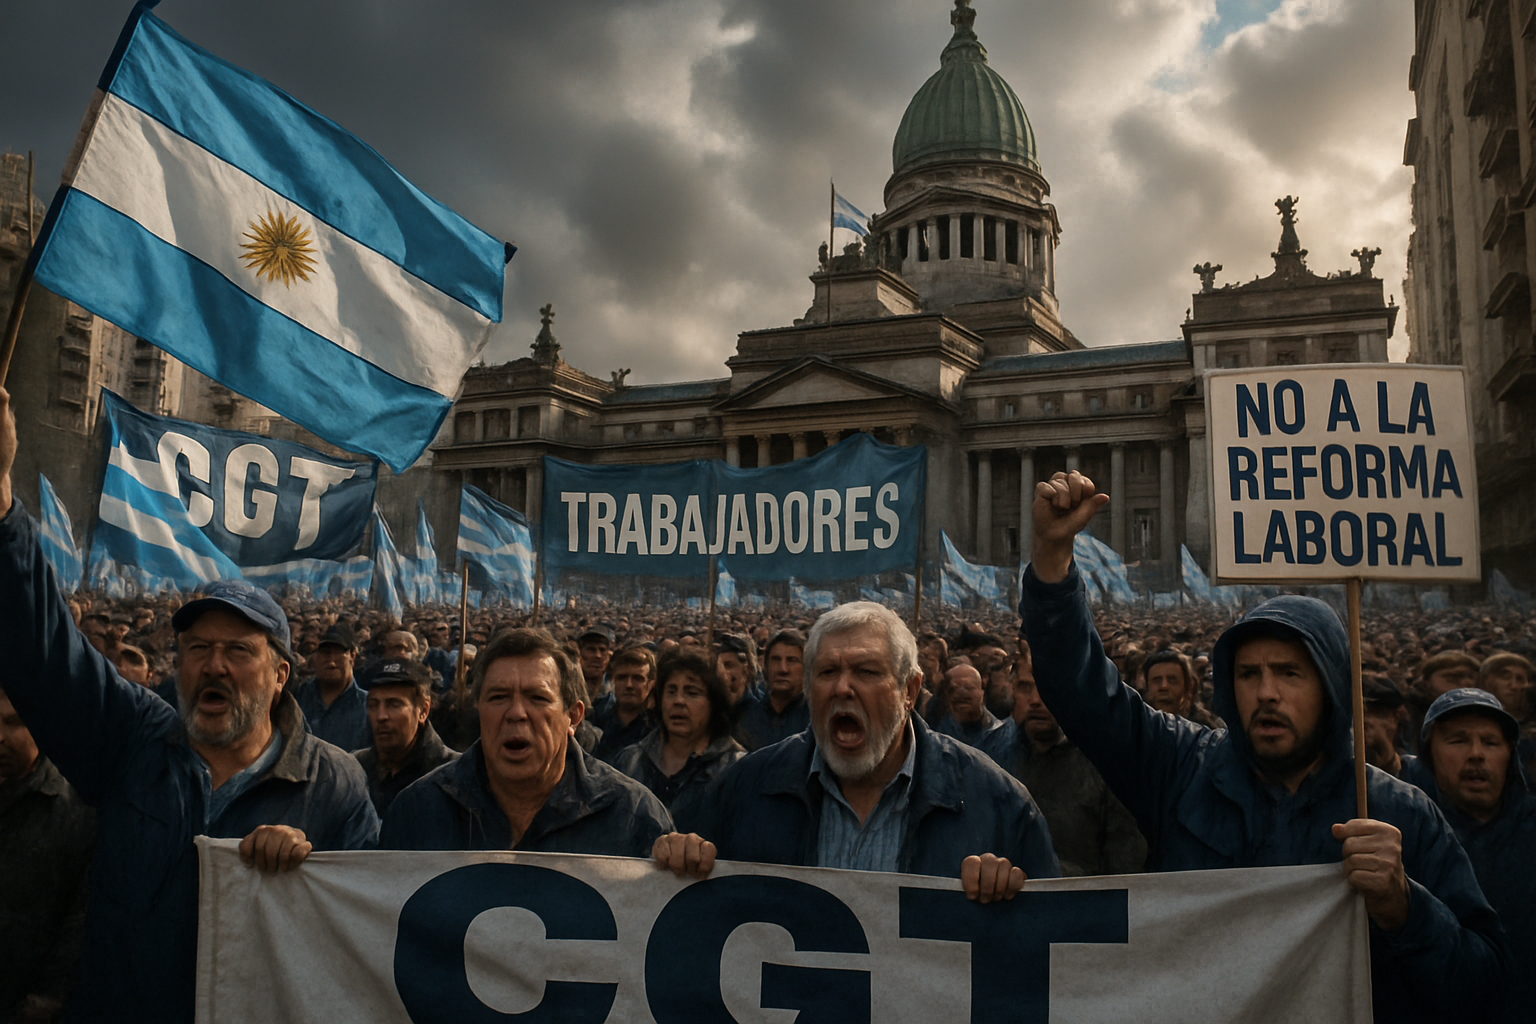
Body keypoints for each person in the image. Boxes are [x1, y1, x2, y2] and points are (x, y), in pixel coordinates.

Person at [1021, 470, 1508, 1023]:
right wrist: (1052, 559)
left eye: (1289, 673)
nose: (1267, 693)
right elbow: (1083, 691)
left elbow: (1484, 987)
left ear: (1331, 687)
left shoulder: (1396, 813)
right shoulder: (1180, 767)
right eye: (1249, 674)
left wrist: (1406, 908)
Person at [0, 388, 379, 1024]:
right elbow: (44, 652)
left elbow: (364, 935)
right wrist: (2, 505)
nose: (214, 665)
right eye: (198, 648)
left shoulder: (335, 786)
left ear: (281, 675)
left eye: (238, 651)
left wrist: (312, 872)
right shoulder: (132, 741)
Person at [654, 602, 1058, 901]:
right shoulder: (745, 788)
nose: (842, 688)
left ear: (910, 691)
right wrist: (676, 863)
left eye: (866, 672)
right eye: (828, 672)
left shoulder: (997, 803)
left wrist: (1007, 897)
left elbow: (1051, 949)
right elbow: (690, 917)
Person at [381, 627, 671, 855]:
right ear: (478, 709)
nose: (516, 713)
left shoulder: (633, 815)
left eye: (537, 698)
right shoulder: (418, 811)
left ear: (573, 716)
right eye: (498, 697)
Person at [1418, 688, 1536, 1024]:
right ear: (1429, 754)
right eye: (1457, 740)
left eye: (1491, 742)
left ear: (1510, 754)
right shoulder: (1409, 836)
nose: (1476, 754)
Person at [1006, 647, 1146, 876]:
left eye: (1049, 687)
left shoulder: (1107, 763)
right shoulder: (995, 754)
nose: (1035, 700)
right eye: (1025, 687)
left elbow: (1125, 865)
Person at [0, 687, 95, 1023]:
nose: (1, 736)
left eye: (15, 722)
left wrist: (49, 995)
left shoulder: (74, 808)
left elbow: (81, 914)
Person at [612, 651, 745, 833]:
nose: (678, 701)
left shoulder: (737, 769)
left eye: (692, 693)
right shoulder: (630, 762)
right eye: (671, 691)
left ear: (714, 703)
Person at [352, 660, 457, 818]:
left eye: (394, 704)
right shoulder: (354, 769)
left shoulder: (453, 776)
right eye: (373, 705)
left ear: (423, 711)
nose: (381, 716)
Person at [295, 625, 370, 752]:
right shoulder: (297, 698)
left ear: (352, 656)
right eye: (325, 652)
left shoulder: (368, 705)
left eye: (338, 652)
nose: (331, 660)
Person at [734, 629, 810, 752]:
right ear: (766, 666)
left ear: (806, 668)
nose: (783, 669)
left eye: (791, 660)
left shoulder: (816, 720)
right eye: (776, 659)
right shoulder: (745, 717)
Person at [933, 662, 1013, 766]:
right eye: (953, 689)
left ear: (982, 692)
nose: (960, 692)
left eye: (968, 687)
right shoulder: (938, 731)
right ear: (946, 697)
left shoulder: (1003, 735)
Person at [590, 646, 657, 762]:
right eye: (622, 678)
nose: (629, 685)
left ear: (651, 684)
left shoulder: (657, 730)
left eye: (637, 678)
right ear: (614, 681)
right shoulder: (597, 719)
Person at [1142, 649, 1221, 728]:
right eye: (1156, 680)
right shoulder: (1138, 726)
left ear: (1188, 686)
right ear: (1147, 686)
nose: (1164, 686)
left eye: (1172, 680)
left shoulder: (1205, 731)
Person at [577, 624, 615, 710]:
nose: (598, 656)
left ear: (608, 657)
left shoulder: (615, 693)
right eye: (591, 649)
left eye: (602, 650)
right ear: (579, 655)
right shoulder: (565, 690)